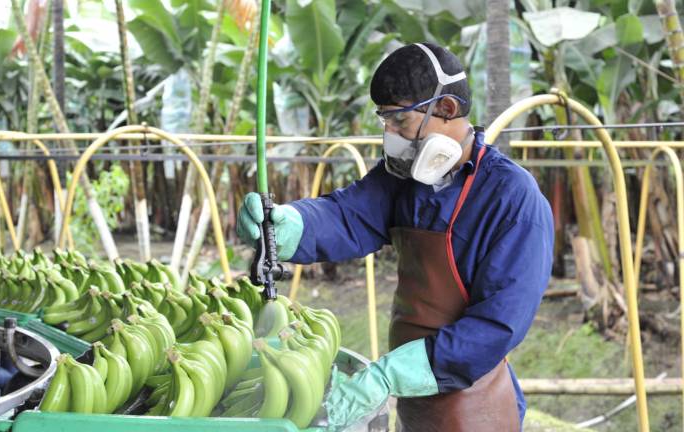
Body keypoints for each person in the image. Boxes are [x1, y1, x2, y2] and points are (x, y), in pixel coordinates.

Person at [237, 42, 554, 432]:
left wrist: (388, 376)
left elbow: (496, 328)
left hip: (475, 406)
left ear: (446, 109)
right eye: (383, 120)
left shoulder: (513, 198)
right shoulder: (403, 179)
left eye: (398, 121)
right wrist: (289, 224)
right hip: (414, 402)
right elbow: (347, 215)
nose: (390, 134)